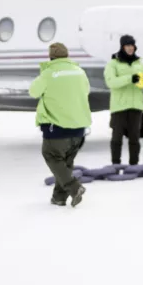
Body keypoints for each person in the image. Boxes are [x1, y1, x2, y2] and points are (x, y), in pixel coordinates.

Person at [29, 42, 92, 207]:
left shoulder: (49, 73)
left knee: (52, 156)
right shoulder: (79, 71)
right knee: (66, 164)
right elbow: (86, 90)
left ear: (51, 56)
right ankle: (59, 198)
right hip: (79, 129)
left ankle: (74, 187)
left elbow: (33, 91)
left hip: (57, 128)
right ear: (67, 55)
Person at [103, 34, 143, 165]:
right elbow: (111, 82)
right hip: (119, 106)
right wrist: (130, 79)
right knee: (116, 137)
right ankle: (115, 163)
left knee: (135, 138)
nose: (131, 48)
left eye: (132, 46)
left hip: (136, 106)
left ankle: (134, 164)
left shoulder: (139, 64)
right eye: (128, 46)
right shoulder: (113, 63)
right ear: (122, 47)